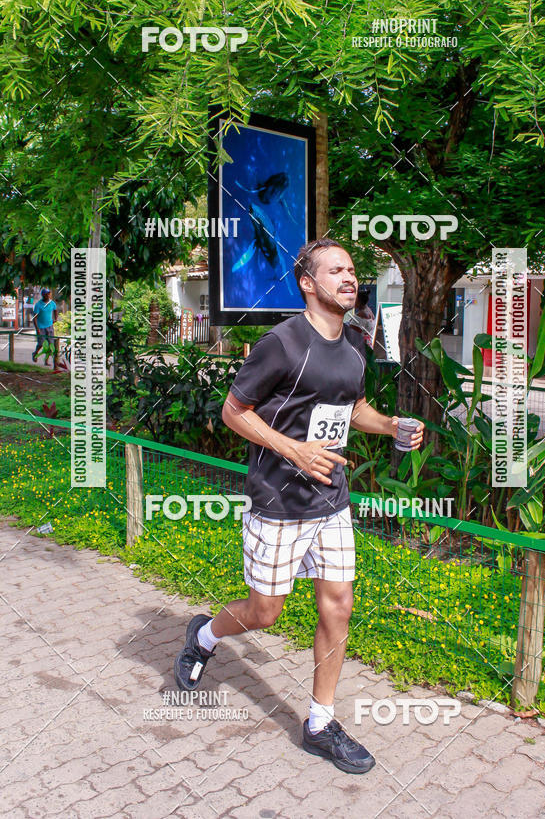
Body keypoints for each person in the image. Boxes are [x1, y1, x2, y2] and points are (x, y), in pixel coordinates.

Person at [173, 238, 424, 774]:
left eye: (352, 270)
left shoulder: (357, 342)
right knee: (266, 612)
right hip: (279, 500)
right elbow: (234, 412)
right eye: (335, 271)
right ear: (308, 284)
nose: (349, 278)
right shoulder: (282, 344)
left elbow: (352, 408)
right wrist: (293, 450)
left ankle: (320, 722)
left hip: (331, 499)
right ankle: (205, 635)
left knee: (338, 606)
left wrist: (391, 426)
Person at [32, 288, 58, 365]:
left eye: (49, 294)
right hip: (41, 327)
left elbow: (55, 310)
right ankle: (35, 353)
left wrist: (55, 319)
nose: (48, 295)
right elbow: (35, 318)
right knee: (41, 343)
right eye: (46, 294)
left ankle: (46, 360)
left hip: (49, 326)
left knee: (51, 344)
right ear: (43, 295)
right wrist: (37, 329)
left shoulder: (52, 303)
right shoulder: (38, 305)